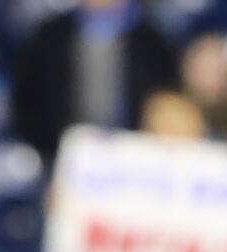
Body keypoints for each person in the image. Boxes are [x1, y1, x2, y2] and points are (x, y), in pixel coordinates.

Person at [11, 0, 177, 164]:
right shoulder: (50, 36)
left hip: (136, 157)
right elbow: (27, 101)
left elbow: (166, 100)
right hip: (61, 155)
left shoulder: (151, 41)